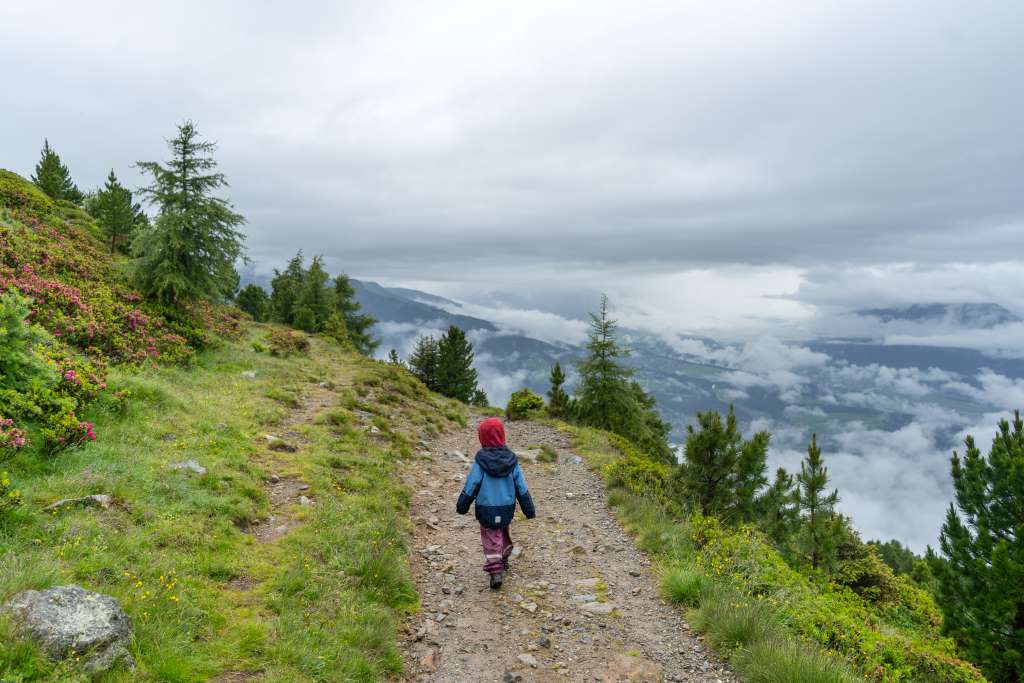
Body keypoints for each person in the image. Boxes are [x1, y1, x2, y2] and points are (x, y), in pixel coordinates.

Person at [455, 417, 536, 589]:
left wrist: (463, 504)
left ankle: (495, 570)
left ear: (482, 437)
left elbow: (472, 484)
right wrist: (529, 509)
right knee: (502, 530)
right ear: (502, 436)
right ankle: (504, 557)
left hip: (486, 508)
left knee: (490, 535)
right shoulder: (512, 461)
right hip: (506, 507)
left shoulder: (480, 462)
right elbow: (521, 486)